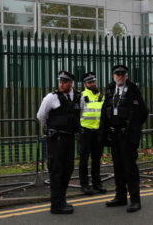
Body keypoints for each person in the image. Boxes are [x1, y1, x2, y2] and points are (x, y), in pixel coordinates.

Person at [100, 65, 149, 213]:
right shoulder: (109, 90)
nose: (119, 77)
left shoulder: (133, 90)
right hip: (114, 135)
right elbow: (104, 111)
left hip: (127, 135)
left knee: (130, 167)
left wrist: (133, 129)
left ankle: (135, 200)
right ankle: (120, 197)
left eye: (122, 74)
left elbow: (144, 112)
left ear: (126, 76)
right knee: (118, 167)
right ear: (113, 75)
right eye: (117, 74)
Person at [37, 71, 81, 214]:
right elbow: (41, 115)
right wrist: (48, 129)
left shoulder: (78, 97)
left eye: (65, 82)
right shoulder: (51, 97)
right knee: (56, 171)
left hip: (69, 139)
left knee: (67, 170)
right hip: (56, 140)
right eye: (60, 81)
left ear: (71, 83)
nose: (61, 84)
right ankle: (56, 205)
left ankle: (61, 200)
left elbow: (79, 114)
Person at [79, 72, 107, 195]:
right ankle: (85, 185)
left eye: (94, 81)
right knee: (84, 160)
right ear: (85, 84)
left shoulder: (101, 96)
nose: (93, 84)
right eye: (90, 82)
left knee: (96, 159)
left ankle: (97, 183)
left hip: (98, 132)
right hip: (85, 131)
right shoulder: (81, 96)